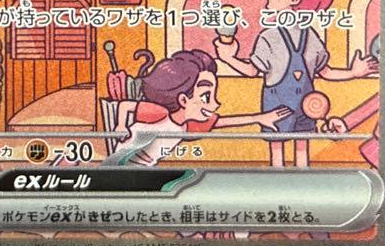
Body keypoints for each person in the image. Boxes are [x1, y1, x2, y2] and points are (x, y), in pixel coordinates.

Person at [215, 0, 378, 168]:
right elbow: (326, 72)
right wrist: (353, 73)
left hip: (306, 104)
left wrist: (228, 58)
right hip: (279, 106)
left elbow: (252, 71)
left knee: (291, 148)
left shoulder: (278, 36)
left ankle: (295, 181)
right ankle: (294, 180)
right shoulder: (295, 35)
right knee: (292, 149)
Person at [109, 48, 290, 166]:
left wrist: (259, 118)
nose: (215, 104)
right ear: (183, 100)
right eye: (206, 96)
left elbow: (222, 122)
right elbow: (125, 106)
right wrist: (121, 126)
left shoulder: (186, 126)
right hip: (121, 165)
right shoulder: (159, 113)